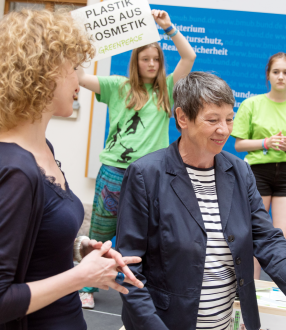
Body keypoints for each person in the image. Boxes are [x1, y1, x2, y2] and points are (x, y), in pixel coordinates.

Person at [116, 72, 286, 330]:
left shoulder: (239, 171)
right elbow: (128, 266)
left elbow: (266, 237)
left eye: (229, 119)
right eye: (212, 120)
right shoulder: (146, 175)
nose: (224, 130)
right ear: (182, 117)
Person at [0, 9, 143, 330]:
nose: (80, 78)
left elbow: (29, 241)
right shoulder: (15, 171)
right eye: (73, 67)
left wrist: (79, 249)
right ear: (42, 73)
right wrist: (82, 276)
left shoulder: (41, 148)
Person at [76, 9, 196, 308]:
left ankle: (144, 287)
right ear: (136, 61)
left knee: (150, 234)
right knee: (101, 232)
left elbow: (189, 57)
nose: (152, 64)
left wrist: (168, 28)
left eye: (156, 59)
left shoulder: (167, 89)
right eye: (146, 59)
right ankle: (87, 287)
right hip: (114, 172)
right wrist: (80, 40)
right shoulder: (118, 86)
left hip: (150, 176)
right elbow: (77, 76)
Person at [231, 53, 286, 278]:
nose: (280, 77)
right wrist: (266, 143)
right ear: (268, 75)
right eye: (276, 72)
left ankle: (277, 295)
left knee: (280, 239)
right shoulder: (252, 104)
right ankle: (249, 292)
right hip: (256, 174)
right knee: (253, 236)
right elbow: (239, 144)